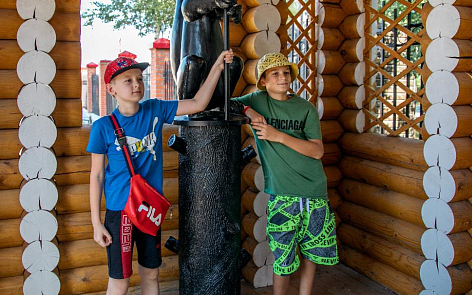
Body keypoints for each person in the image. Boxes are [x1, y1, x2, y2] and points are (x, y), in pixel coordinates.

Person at [88, 50, 234, 295]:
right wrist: (95, 223)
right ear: (111, 89)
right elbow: (97, 176)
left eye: (139, 79)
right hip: (120, 212)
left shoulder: (154, 109)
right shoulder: (102, 127)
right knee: (120, 280)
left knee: (151, 274)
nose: (136, 84)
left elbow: (198, 103)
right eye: (128, 80)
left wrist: (218, 66)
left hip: (149, 209)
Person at [232, 53, 338, 295]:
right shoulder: (257, 100)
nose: (282, 77)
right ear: (263, 81)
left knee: (312, 253)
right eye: (275, 74)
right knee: (283, 256)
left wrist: (277, 136)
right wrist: (248, 110)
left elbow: (317, 151)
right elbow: (227, 103)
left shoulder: (305, 108)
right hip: (282, 195)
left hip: (314, 192)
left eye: (286, 72)